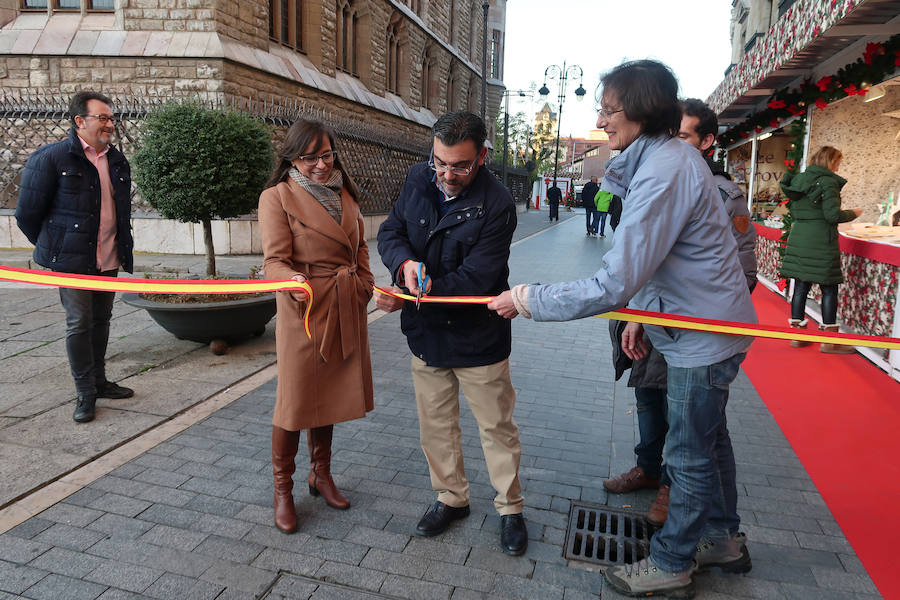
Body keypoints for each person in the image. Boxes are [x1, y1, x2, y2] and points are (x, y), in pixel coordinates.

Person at [488, 60, 757, 597]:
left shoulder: (665, 171)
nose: (603, 119)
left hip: (703, 337)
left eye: (609, 109)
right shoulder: (663, 160)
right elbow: (661, 259)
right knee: (710, 440)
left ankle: (674, 560)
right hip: (695, 325)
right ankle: (725, 539)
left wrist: (529, 298)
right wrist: (641, 314)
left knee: (687, 453)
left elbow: (612, 280)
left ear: (639, 110)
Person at [601, 99, 761, 528]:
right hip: (654, 321)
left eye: (684, 137)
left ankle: (674, 493)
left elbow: (741, 272)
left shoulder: (722, 194)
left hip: (690, 329)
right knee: (648, 399)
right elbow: (643, 259)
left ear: (707, 142)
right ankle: (650, 468)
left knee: (691, 432)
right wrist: (637, 313)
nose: (672, 145)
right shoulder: (653, 180)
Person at [376, 110, 528, 556]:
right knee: (436, 425)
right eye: (439, 162)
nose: (447, 174)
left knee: (495, 427)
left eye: (459, 165)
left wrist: (408, 295)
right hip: (427, 335)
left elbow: (477, 279)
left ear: (482, 156)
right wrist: (404, 265)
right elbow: (390, 231)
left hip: (478, 336)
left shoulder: (497, 203)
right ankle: (451, 498)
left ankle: (510, 508)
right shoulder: (418, 178)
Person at [257, 119, 375, 534]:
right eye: (310, 158)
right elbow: (273, 260)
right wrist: (290, 282)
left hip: (344, 304)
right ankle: (282, 489)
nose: (321, 165)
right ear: (292, 158)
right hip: (304, 309)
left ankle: (320, 474)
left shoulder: (345, 193)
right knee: (294, 402)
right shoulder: (277, 197)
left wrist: (364, 283)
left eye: (326, 155)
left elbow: (359, 245)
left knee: (328, 396)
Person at [16, 90, 135, 424]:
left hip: (108, 256)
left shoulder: (116, 159)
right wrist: (56, 250)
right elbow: (26, 214)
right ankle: (84, 392)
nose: (110, 124)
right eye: (103, 118)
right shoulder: (52, 158)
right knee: (79, 322)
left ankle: (99, 380)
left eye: (111, 118)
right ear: (79, 121)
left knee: (101, 320)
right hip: (71, 262)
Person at [780, 146, 861, 353]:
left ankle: (797, 336)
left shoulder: (799, 180)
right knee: (829, 288)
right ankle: (828, 341)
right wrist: (854, 213)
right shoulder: (828, 182)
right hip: (821, 240)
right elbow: (832, 216)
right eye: (838, 162)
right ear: (831, 162)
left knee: (800, 286)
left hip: (800, 237)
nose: (838, 167)